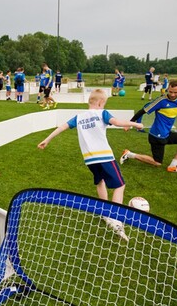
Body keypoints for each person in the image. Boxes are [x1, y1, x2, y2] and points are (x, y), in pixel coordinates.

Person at [38, 89, 143, 241]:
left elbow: (62, 127)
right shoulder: (102, 113)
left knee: (100, 182)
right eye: (104, 103)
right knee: (120, 185)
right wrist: (136, 124)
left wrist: (47, 140)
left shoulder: (79, 117)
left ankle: (105, 212)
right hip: (105, 157)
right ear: (101, 103)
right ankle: (116, 218)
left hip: (89, 159)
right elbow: (118, 123)